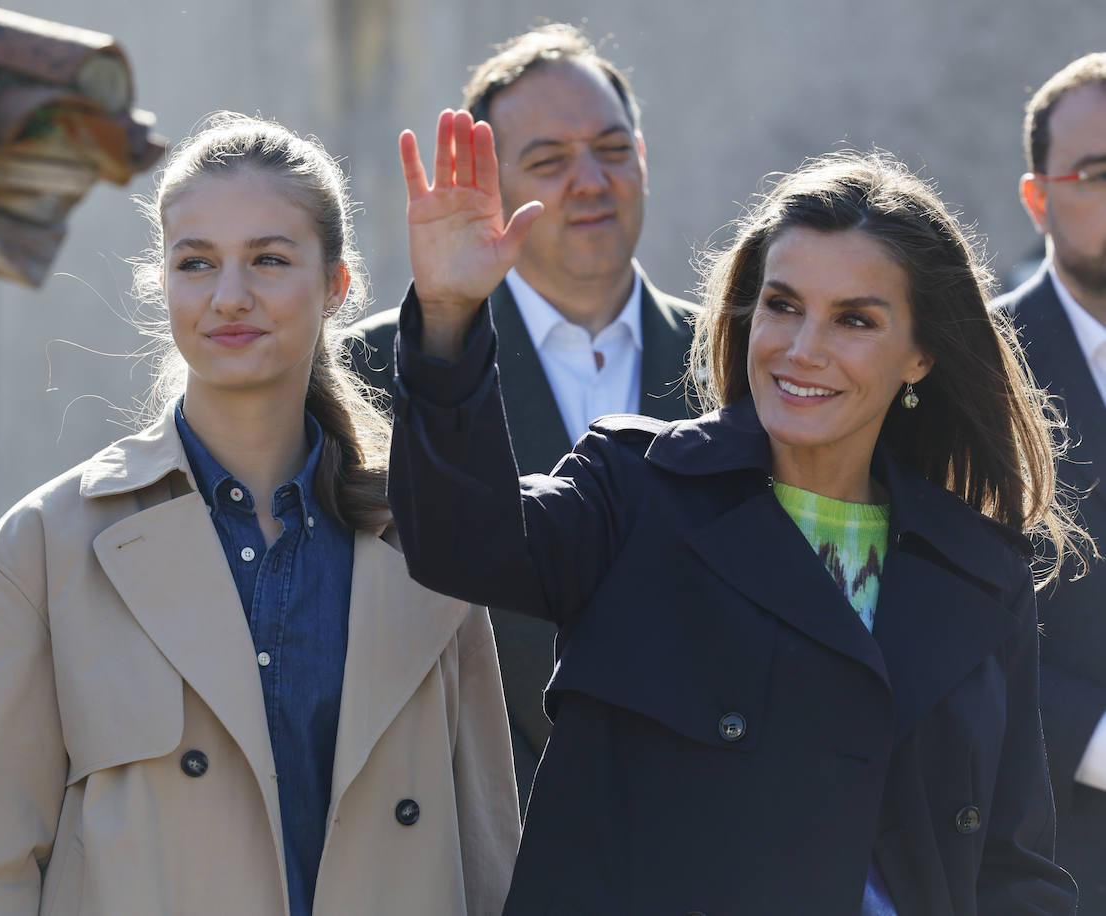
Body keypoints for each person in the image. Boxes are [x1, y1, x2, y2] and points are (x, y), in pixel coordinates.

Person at [386, 108, 1084, 913]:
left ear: (920, 354)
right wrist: (448, 316)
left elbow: (1011, 865)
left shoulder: (979, 570)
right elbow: (460, 541)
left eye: (855, 320)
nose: (803, 349)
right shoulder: (636, 489)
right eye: (783, 305)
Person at [0, 113, 519, 916]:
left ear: (336, 286)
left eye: (269, 259)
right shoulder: (38, 552)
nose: (229, 297)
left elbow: (488, 853)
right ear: (162, 282)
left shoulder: (426, 542)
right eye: (196, 263)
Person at [349, 24, 698, 800]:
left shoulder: (745, 360)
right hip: (479, 821)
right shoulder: (375, 367)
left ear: (642, 159)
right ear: (491, 185)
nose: (590, 181)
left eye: (612, 149)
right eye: (548, 161)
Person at [993, 51, 1106, 911]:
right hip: (1058, 853)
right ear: (1038, 200)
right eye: (1097, 174)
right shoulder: (975, 373)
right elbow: (949, 616)